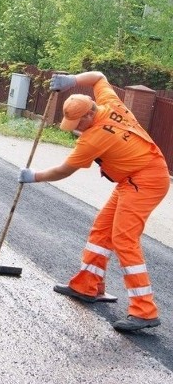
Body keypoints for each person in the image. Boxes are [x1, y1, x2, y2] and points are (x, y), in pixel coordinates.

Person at [18, 71, 170, 332]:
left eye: (79, 121)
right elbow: (99, 77)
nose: (77, 127)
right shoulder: (110, 102)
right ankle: (87, 286)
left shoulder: (93, 138)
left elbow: (64, 170)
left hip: (145, 181)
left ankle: (144, 310)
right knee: (102, 231)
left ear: (89, 113)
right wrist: (72, 80)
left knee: (124, 239)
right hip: (133, 178)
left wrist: (35, 176)